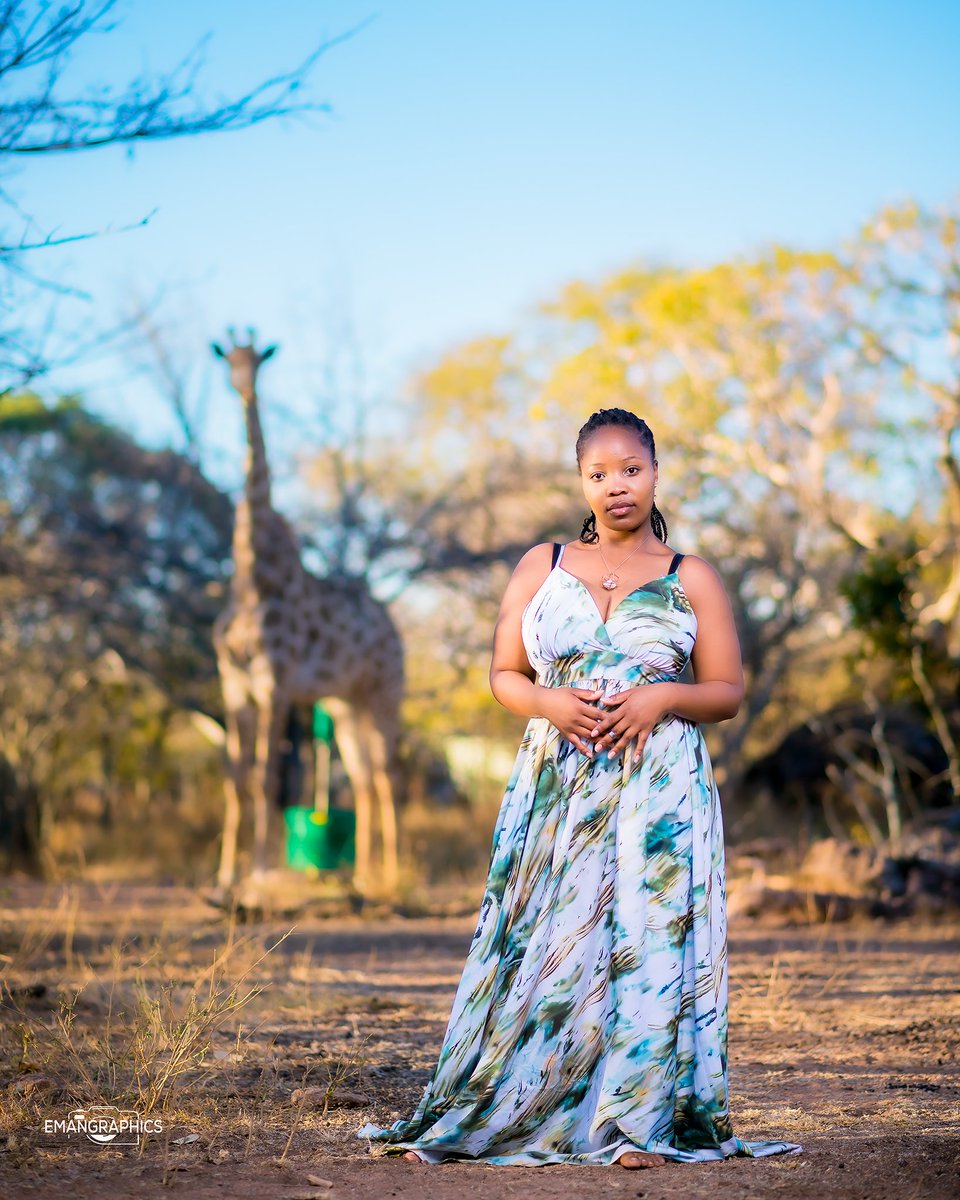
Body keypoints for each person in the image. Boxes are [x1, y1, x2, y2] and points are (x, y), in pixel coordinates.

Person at [356, 407, 803, 1168]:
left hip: (658, 790)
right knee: (551, 942)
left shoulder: (691, 576)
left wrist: (662, 697)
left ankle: (633, 1123)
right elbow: (504, 675)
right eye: (599, 473)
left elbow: (726, 691)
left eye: (631, 469)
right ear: (581, 482)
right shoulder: (543, 563)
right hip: (557, 784)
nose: (616, 485)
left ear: (655, 473)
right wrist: (550, 703)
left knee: (645, 942)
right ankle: (526, 1101)